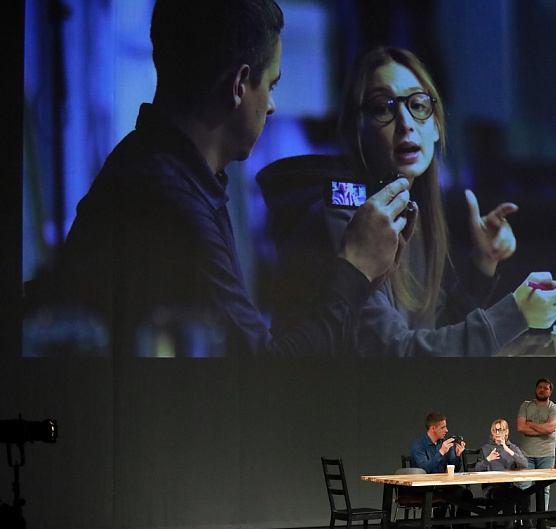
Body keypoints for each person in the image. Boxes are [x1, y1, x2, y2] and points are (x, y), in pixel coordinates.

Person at [29, 0, 411, 356]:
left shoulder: (154, 164)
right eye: (271, 84)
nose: (272, 105)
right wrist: (355, 268)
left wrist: (360, 278)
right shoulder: (173, 201)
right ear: (239, 85)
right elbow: (266, 375)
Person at [259, 45, 556, 356]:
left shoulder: (407, 209)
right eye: (383, 108)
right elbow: (400, 355)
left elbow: (430, 336)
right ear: (357, 131)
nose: (406, 122)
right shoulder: (348, 218)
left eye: (419, 105)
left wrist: (482, 262)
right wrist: (515, 314)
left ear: (436, 126)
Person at [473, 419, 542, 529]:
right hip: (492, 487)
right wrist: (488, 459)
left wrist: (507, 449)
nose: (497, 433)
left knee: (524, 496)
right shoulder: (486, 448)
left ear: (506, 432)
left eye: (500, 430)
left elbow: (524, 463)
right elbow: (476, 470)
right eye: (495, 430)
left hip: (509, 485)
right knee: (507, 496)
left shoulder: (512, 447)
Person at [409, 412, 473, 529]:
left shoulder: (444, 443)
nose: (446, 430)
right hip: (424, 486)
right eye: (443, 427)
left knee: (466, 495)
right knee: (441, 495)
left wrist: (457, 455)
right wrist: (441, 452)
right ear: (433, 428)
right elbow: (424, 469)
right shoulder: (418, 445)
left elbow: (454, 468)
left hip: (443, 484)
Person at [515, 378, 556, 526]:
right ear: (536, 389)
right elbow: (520, 427)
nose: (542, 390)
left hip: (546, 454)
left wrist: (530, 424)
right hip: (526, 454)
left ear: (550, 392)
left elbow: (550, 428)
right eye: (540, 387)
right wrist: (542, 429)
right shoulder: (526, 405)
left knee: (544, 488)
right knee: (524, 486)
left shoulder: (554, 408)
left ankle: (542, 520)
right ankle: (524, 521)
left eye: (546, 388)